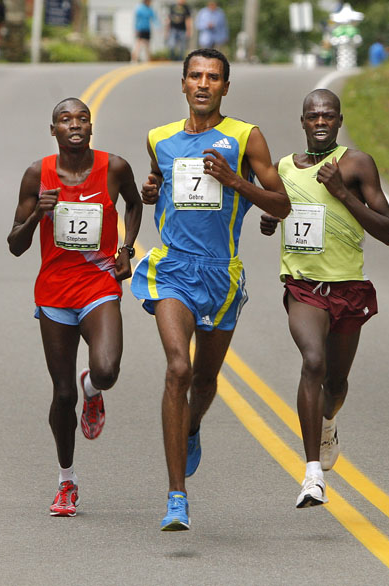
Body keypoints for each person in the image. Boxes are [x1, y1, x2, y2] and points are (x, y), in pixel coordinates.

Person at [131, 48, 290, 531]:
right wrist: (151, 191)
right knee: (177, 369)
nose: (203, 84)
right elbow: (159, 182)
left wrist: (235, 181)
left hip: (221, 273)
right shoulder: (159, 137)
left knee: (203, 381)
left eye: (213, 77)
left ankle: (192, 425)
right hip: (172, 267)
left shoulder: (245, 136)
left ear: (225, 87)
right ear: (182, 84)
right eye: (195, 76)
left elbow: (281, 204)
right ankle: (176, 496)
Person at [258, 89, 389, 509]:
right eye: (313, 116)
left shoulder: (356, 164)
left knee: (335, 384)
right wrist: (270, 219)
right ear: (302, 122)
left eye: (328, 116)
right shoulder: (283, 168)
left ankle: (329, 421)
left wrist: (343, 193)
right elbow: (278, 208)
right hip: (303, 287)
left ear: (339, 121)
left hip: (348, 288)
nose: (320, 122)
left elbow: (388, 231)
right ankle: (312, 475)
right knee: (312, 362)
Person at [7, 98, 142, 517]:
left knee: (107, 369)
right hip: (54, 294)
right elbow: (14, 244)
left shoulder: (114, 168)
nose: (75, 125)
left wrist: (126, 248)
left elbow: (135, 204)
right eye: (65, 120)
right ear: (54, 131)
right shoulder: (38, 174)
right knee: (61, 393)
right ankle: (67, 481)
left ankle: (94, 389)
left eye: (82, 118)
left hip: (99, 284)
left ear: (90, 126)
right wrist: (36, 216)